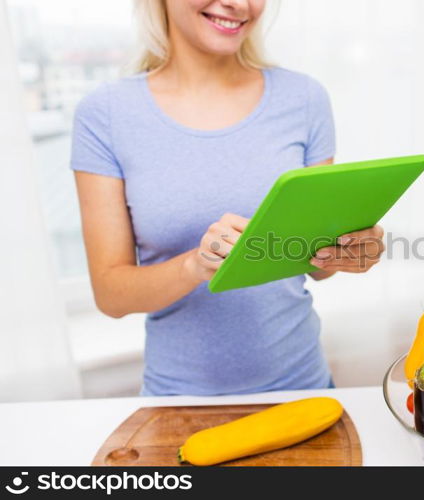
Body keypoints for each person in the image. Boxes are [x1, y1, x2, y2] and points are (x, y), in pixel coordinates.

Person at [70, 0, 384, 396]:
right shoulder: (106, 114)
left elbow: (317, 264)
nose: (238, 4)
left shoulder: (304, 98)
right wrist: (195, 266)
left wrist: (350, 247)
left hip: (303, 390)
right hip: (177, 404)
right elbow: (110, 294)